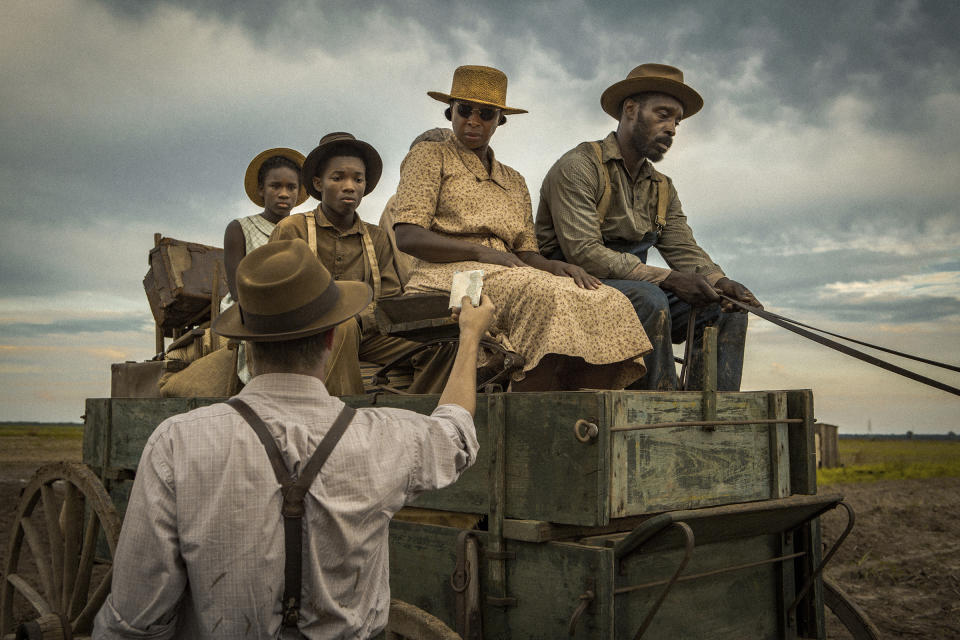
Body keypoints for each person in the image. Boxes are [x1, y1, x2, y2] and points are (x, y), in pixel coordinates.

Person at [94, 238, 495, 639]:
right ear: (331, 339)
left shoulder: (176, 443)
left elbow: (135, 621)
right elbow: (455, 432)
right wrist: (470, 337)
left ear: (247, 348)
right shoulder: (385, 438)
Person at [393, 65, 651, 391]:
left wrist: (559, 266)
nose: (473, 120)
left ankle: (583, 404)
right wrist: (479, 251)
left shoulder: (513, 180)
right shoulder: (430, 155)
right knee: (540, 294)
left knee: (608, 300)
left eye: (486, 113)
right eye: (464, 110)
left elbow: (526, 253)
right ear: (451, 112)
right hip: (447, 275)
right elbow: (408, 235)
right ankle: (529, 408)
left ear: (500, 119)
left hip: (507, 271)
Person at [536, 63, 762, 391]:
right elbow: (584, 254)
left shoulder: (661, 187)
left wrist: (721, 282)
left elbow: (683, 247)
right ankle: (661, 408)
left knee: (724, 309)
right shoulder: (579, 166)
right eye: (663, 114)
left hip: (632, 289)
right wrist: (669, 279)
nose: (671, 128)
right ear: (631, 110)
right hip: (570, 288)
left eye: (676, 121)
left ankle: (712, 415)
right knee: (649, 299)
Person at [271, 133, 451, 395]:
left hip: (367, 334)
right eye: (338, 178)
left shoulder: (376, 237)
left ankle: (415, 413)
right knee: (341, 326)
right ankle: (347, 418)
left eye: (358, 179)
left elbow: (389, 299)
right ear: (318, 183)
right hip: (304, 338)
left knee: (444, 345)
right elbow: (277, 300)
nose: (349, 186)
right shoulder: (292, 229)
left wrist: (361, 317)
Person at [222, 148, 309, 383]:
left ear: (298, 191)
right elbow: (236, 289)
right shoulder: (239, 228)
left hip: (297, 307)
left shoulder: (305, 229)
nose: (283, 193)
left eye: (291, 187)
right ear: (261, 189)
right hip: (252, 308)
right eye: (275, 186)